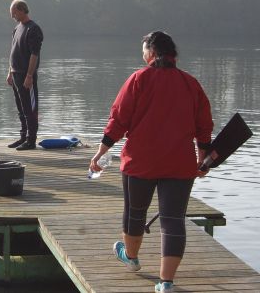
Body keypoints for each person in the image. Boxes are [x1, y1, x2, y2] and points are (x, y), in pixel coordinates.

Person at [89, 31, 213, 293]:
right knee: (173, 220)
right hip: (179, 164)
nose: (142, 54)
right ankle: (166, 283)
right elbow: (204, 126)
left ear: (152, 53)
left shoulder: (138, 79)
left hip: (140, 162)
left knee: (135, 212)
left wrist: (101, 152)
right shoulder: (190, 83)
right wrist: (202, 158)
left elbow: (118, 119)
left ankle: (131, 258)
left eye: (144, 50)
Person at [6, 0, 44, 150]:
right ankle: (23, 136)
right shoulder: (17, 29)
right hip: (15, 73)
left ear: (22, 10)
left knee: (29, 109)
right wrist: (9, 72)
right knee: (21, 108)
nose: (12, 16)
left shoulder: (33, 29)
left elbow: (34, 54)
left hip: (26, 75)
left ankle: (31, 140)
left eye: (14, 12)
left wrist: (29, 76)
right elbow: (13, 51)